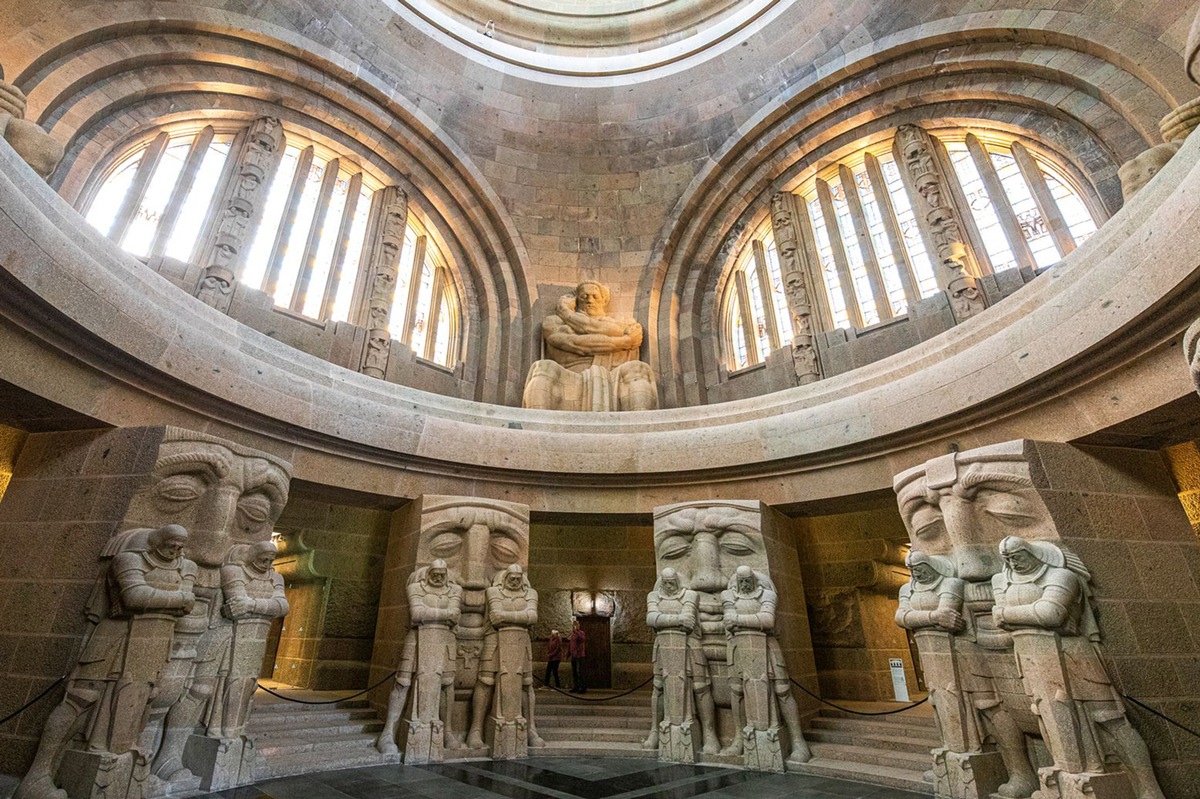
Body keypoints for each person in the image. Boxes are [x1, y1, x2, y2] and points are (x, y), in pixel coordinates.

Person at [568, 618, 587, 693]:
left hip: (579, 656)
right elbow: (571, 644)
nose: (575, 626)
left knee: (580, 672)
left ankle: (582, 687)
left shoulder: (581, 633)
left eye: (577, 625)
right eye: (574, 625)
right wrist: (568, 653)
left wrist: (577, 632)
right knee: (574, 672)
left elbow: (582, 639)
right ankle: (576, 686)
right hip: (573, 656)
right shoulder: (572, 635)